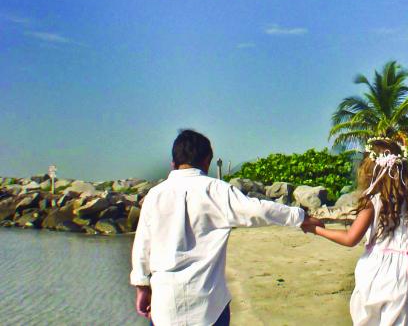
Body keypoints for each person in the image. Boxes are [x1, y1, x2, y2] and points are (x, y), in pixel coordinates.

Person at [130, 129, 323, 325]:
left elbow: (142, 245)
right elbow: (258, 210)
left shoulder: (154, 195)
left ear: (173, 163)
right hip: (208, 305)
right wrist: (299, 216)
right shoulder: (216, 190)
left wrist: (142, 286)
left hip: (165, 305)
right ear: (207, 161)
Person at [309, 137, 408, 326]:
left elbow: (350, 239)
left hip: (373, 270)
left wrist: (317, 229)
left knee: (368, 319)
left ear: (370, 172)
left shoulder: (373, 202)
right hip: (402, 274)